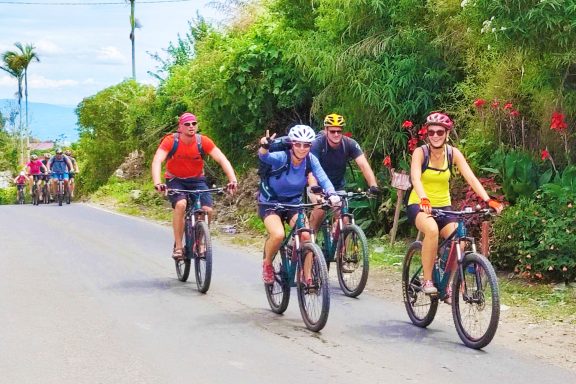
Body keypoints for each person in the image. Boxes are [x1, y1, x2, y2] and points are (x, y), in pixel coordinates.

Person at [407, 112, 503, 296]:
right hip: (419, 204)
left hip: (443, 206)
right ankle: (428, 280)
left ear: (447, 134)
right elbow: (416, 178)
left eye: (440, 132)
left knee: (460, 239)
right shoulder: (420, 153)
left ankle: (446, 281)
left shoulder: (452, 153)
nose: (435, 136)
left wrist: (488, 200)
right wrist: (424, 198)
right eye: (432, 132)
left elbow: (471, 178)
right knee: (432, 230)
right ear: (427, 134)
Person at [258, 124, 341, 284]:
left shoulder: (311, 159)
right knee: (278, 235)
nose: (302, 148)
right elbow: (264, 157)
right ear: (292, 143)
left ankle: (307, 276)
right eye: (298, 144)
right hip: (270, 203)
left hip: (293, 204)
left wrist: (332, 195)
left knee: (307, 235)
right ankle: (267, 263)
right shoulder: (282, 156)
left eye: (306, 145)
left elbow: (323, 179)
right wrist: (264, 146)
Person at [151, 112, 238, 261]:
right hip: (175, 179)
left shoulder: (202, 141)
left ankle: (201, 242)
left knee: (207, 210)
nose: (191, 126)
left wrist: (233, 180)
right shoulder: (171, 141)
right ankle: (178, 247)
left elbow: (222, 159)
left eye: (194, 123)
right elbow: (157, 161)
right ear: (180, 127)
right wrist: (158, 182)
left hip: (197, 180)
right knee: (180, 205)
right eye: (187, 124)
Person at [309, 113, 379, 231]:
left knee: (344, 220)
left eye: (339, 131)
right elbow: (310, 169)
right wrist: (314, 187)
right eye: (332, 131)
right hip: (318, 186)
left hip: (337, 187)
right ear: (326, 130)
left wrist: (373, 185)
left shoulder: (349, 143)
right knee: (320, 209)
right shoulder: (317, 144)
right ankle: (309, 240)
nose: (336, 134)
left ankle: (341, 249)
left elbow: (363, 165)